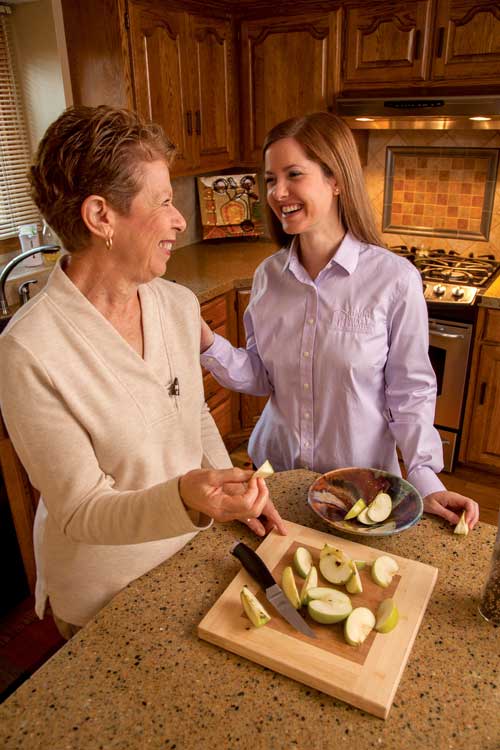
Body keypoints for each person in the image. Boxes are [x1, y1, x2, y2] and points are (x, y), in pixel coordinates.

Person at [0, 105, 286, 639]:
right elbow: (82, 510)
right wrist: (186, 498)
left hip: (190, 561)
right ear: (100, 216)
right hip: (104, 595)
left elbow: (193, 416)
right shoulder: (28, 350)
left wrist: (233, 490)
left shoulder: (175, 303)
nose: (180, 219)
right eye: (164, 202)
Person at [200, 112, 479, 532]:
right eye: (270, 179)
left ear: (336, 180)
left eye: (294, 174)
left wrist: (425, 477)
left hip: (360, 488)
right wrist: (207, 343)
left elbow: (410, 391)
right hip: (276, 477)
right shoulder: (268, 277)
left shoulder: (393, 279)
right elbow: (262, 376)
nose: (278, 193)